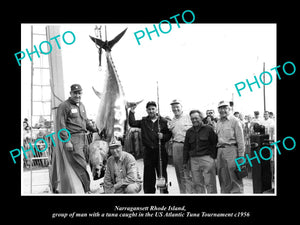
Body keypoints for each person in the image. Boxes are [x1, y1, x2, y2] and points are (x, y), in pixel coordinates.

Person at [54, 84, 97, 193]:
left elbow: (85, 121)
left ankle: (84, 189)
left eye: (79, 93)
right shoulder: (64, 106)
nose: (77, 95)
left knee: (86, 163)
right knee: (81, 164)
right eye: (75, 93)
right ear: (71, 93)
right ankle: (87, 189)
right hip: (73, 139)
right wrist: (67, 141)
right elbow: (61, 125)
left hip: (84, 138)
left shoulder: (81, 105)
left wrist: (94, 128)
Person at [129, 101, 172, 193]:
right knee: (148, 175)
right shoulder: (144, 121)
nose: (151, 111)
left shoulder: (164, 121)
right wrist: (132, 111)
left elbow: (169, 134)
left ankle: (164, 192)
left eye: (153, 109)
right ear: (146, 110)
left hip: (160, 151)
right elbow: (132, 123)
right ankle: (149, 193)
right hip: (148, 152)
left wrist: (163, 136)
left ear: (156, 109)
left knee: (162, 173)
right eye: (149, 109)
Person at [183, 110, 218, 194]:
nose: (194, 120)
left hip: (207, 159)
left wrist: (213, 158)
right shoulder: (189, 132)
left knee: (210, 184)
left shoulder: (208, 129)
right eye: (192, 119)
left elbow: (215, 143)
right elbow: (186, 147)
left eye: (196, 118)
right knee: (197, 184)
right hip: (194, 160)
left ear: (201, 118)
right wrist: (185, 162)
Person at [216, 100, 245, 193]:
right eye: (220, 108)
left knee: (234, 178)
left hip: (232, 150)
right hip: (220, 151)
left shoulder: (235, 121)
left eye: (225, 108)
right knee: (223, 178)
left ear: (229, 109)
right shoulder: (218, 122)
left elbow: (241, 141)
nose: (222, 110)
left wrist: (241, 157)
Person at [168, 99, 194, 194]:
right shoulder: (171, 121)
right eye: (173, 107)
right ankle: (182, 193)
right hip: (176, 146)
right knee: (179, 172)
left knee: (189, 171)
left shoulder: (189, 118)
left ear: (181, 107)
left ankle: (191, 193)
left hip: (188, 147)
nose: (175, 109)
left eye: (177, 106)